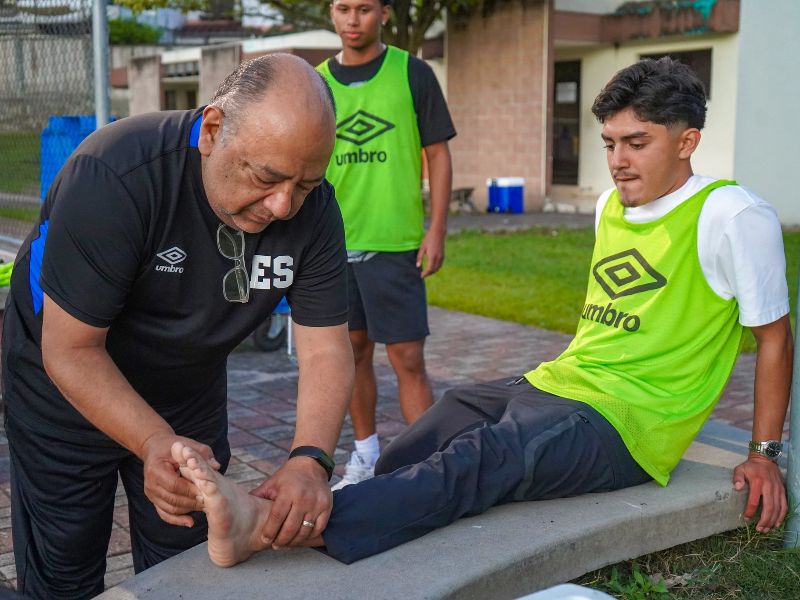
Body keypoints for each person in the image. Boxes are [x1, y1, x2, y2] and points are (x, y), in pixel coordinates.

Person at [170, 56, 792, 567]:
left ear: (687, 142)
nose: (618, 160)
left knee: (483, 459)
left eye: (637, 143)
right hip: (560, 383)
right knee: (435, 426)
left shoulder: (732, 215)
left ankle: (267, 527)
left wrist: (765, 452)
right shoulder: (611, 205)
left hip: (630, 423)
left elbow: (774, 338)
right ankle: (337, 502)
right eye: (609, 143)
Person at [2, 54, 354, 599]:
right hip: (63, 389)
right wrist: (151, 442)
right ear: (212, 131)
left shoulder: (316, 211)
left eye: (305, 185)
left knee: (189, 564)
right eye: (266, 177)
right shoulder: (115, 174)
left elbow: (326, 348)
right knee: (64, 569)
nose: (284, 205)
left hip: (186, 388)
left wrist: (311, 460)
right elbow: (71, 349)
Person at [317, 0, 456, 489]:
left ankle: (431, 466)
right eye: (343, 8)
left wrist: (436, 229)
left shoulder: (412, 73)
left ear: (385, 14)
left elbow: (438, 154)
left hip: (395, 243)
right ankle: (366, 456)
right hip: (332, 245)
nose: (353, 19)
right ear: (331, 13)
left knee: (408, 358)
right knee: (352, 353)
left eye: (364, 9)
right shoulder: (316, 83)